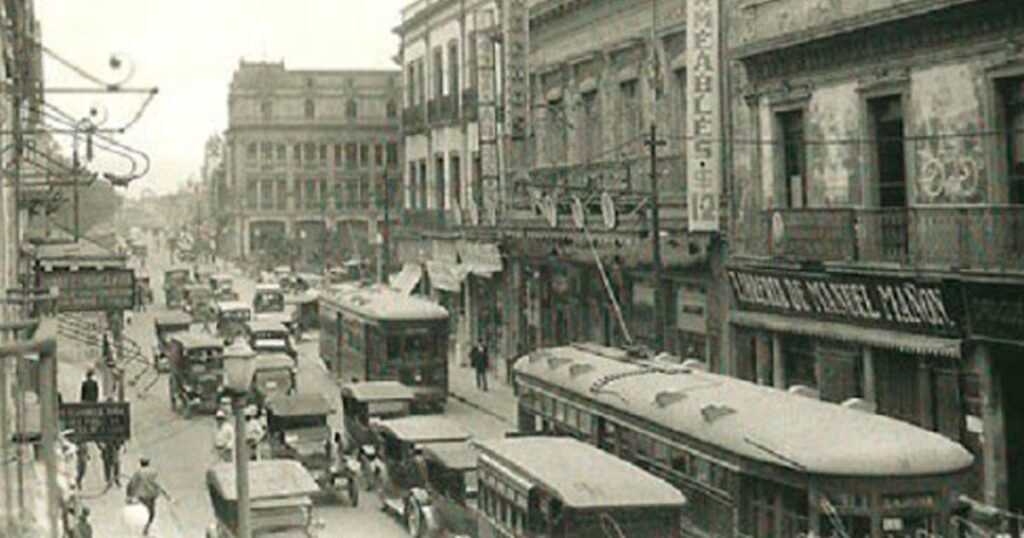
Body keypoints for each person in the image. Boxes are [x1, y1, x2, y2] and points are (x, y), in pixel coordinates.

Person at [126, 457, 166, 537]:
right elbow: (158, 484)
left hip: (142, 495)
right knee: (151, 512)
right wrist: (164, 493)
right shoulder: (153, 472)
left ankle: (145, 525)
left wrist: (129, 495)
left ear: (141, 463)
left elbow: (131, 484)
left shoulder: (138, 473)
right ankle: (147, 525)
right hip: (151, 495)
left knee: (144, 510)